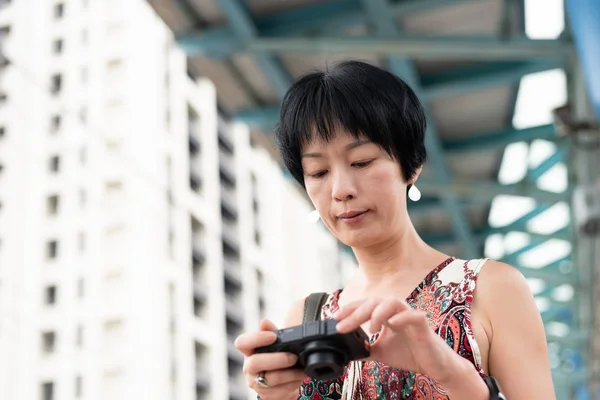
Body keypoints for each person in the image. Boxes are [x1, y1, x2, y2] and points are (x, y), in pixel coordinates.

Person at [234, 60, 556, 399]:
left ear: (412, 165)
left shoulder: (491, 289)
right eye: (318, 172)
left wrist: (454, 376)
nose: (340, 189)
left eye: (362, 162)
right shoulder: (305, 317)